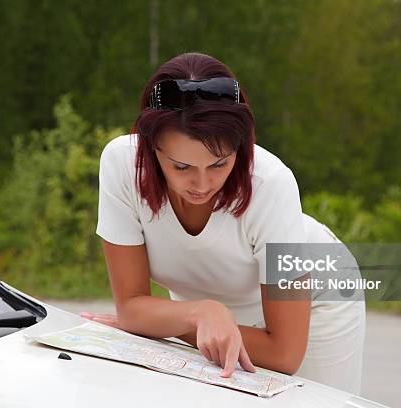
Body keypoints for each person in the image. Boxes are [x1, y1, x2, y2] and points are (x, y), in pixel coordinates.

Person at [80, 52, 366, 395]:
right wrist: (197, 315)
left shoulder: (270, 183)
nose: (201, 185)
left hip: (316, 297)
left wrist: (171, 321)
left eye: (219, 164)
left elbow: (285, 353)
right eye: (182, 167)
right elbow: (131, 307)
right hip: (207, 307)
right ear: (151, 149)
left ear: (240, 148)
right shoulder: (123, 166)